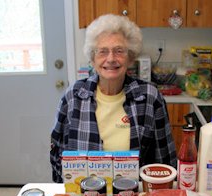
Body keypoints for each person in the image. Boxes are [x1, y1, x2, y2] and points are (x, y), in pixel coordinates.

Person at [50, 14, 176, 183]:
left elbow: (164, 160)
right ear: (93, 58)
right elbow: (57, 152)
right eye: (102, 51)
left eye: (119, 51)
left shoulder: (149, 98)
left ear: (130, 57)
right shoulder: (73, 96)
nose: (110, 59)